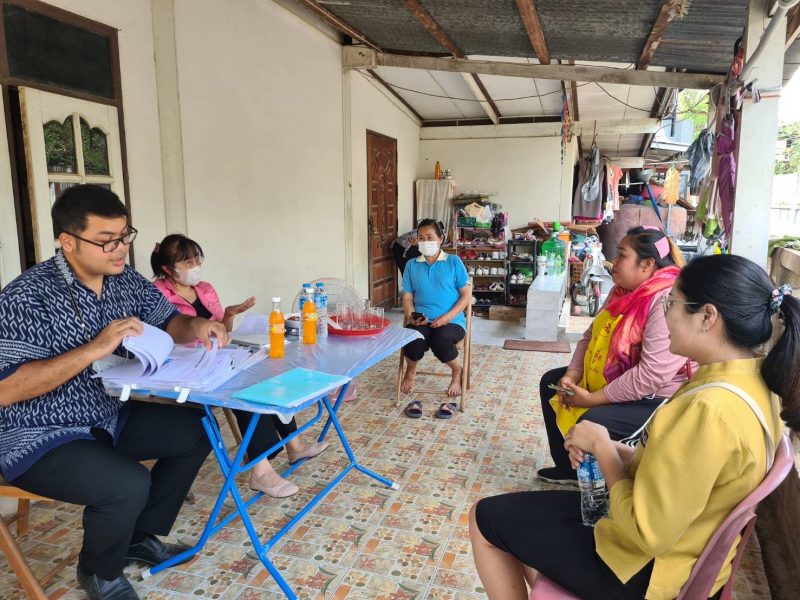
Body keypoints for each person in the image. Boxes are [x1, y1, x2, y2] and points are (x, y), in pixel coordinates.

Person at [469, 254, 797, 600]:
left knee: (485, 518)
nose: (664, 315)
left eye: (671, 303)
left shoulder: (709, 410)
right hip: (682, 547)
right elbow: (687, 473)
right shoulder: (753, 383)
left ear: (707, 316)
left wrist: (602, 447)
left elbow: (646, 531)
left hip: (643, 571)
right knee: (526, 526)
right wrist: (619, 452)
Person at [0, 185, 227, 600]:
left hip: (103, 414)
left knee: (197, 429)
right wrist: (95, 348)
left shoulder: (123, 279)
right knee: (127, 483)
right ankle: (98, 573)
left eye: (124, 236)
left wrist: (198, 326)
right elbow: (7, 388)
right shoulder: (26, 297)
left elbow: (169, 321)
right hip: (35, 433)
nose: (120, 249)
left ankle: (138, 538)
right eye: (106, 240)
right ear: (68, 241)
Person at [151, 234, 328, 498]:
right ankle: (261, 471)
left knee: (264, 375)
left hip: (216, 357)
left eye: (197, 259)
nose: (195, 266)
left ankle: (295, 445)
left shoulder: (205, 289)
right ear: (168, 268)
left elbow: (221, 330)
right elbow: (163, 337)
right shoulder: (156, 295)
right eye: (188, 262)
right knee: (240, 391)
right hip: (183, 367)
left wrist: (228, 316)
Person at [537, 226, 691, 485]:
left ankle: (601, 490)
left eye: (622, 255)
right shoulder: (622, 291)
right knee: (552, 382)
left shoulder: (666, 299)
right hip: (616, 376)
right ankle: (568, 470)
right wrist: (573, 373)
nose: (613, 262)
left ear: (647, 264)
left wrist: (592, 399)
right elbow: (591, 335)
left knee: (591, 422)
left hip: (655, 398)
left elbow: (651, 375)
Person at [399, 219, 471, 419]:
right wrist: (411, 316)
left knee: (441, 339)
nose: (425, 242)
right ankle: (410, 372)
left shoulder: (453, 262)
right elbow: (407, 297)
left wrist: (447, 317)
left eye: (429, 237)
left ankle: (457, 372)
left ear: (441, 238)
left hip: (452, 320)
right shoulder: (411, 265)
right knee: (412, 338)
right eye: (421, 238)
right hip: (422, 320)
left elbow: (466, 295)